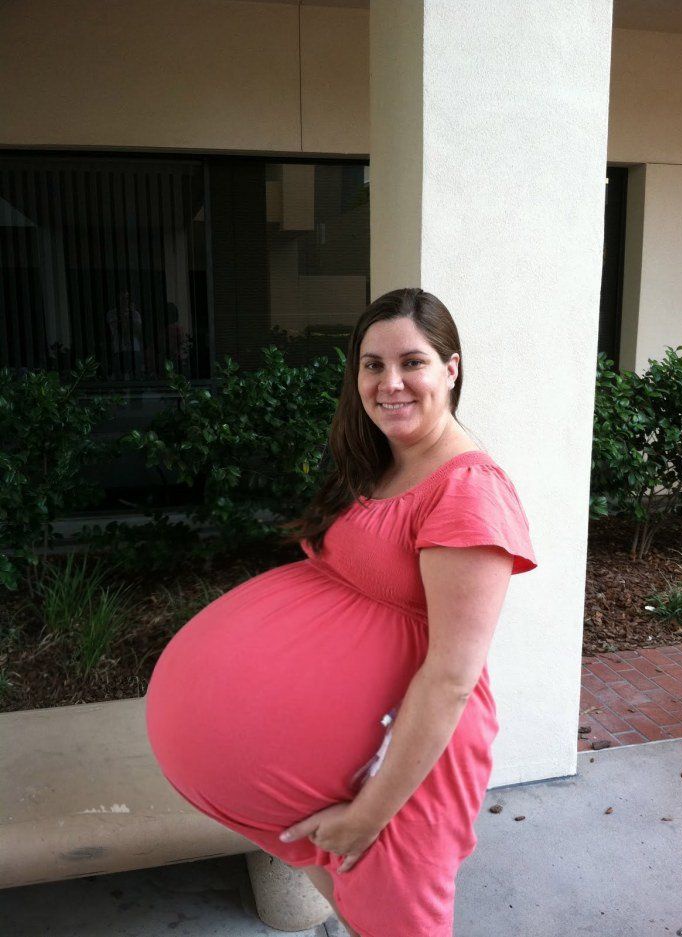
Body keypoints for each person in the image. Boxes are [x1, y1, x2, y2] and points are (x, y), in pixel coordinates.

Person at [145, 287, 538, 936]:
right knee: (361, 909)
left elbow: (451, 678)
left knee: (398, 922)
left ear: (451, 369)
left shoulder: (468, 491)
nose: (390, 383)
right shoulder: (382, 463)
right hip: (350, 761)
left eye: (412, 362)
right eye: (372, 364)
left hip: (404, 760)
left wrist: (368, 815)